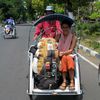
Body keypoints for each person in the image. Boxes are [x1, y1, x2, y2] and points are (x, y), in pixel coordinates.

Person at [58, 20, 77, 90]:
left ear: (69, 28)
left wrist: (63, 53)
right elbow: (54, 44)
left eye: (66, 27)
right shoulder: (59, 35)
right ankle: (66, 81)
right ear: (61, 28)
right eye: (63, 27)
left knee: (66, 58)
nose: (65, 29)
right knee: (64, 57)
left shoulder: (73, 37)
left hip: (68, 54)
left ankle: (68, 81)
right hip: (58, 54)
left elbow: (71, 50)